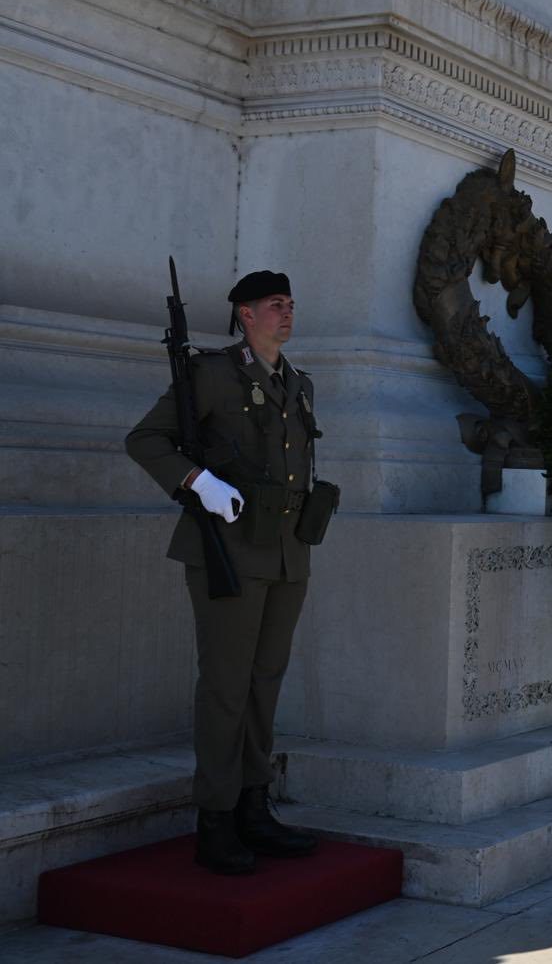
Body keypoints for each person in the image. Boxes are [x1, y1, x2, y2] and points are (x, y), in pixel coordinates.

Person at [125, 271, 321, 875]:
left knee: (265, 685)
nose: (286, 313)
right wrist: (197, 481)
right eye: (273, 305)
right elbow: (146, 440)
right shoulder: (211, 374)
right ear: (245, 315)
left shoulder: (300, 382)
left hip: (288, 554)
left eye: (290, 303)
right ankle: (215, 820)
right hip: (228, 554)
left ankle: (254, 808)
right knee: (226, 688)